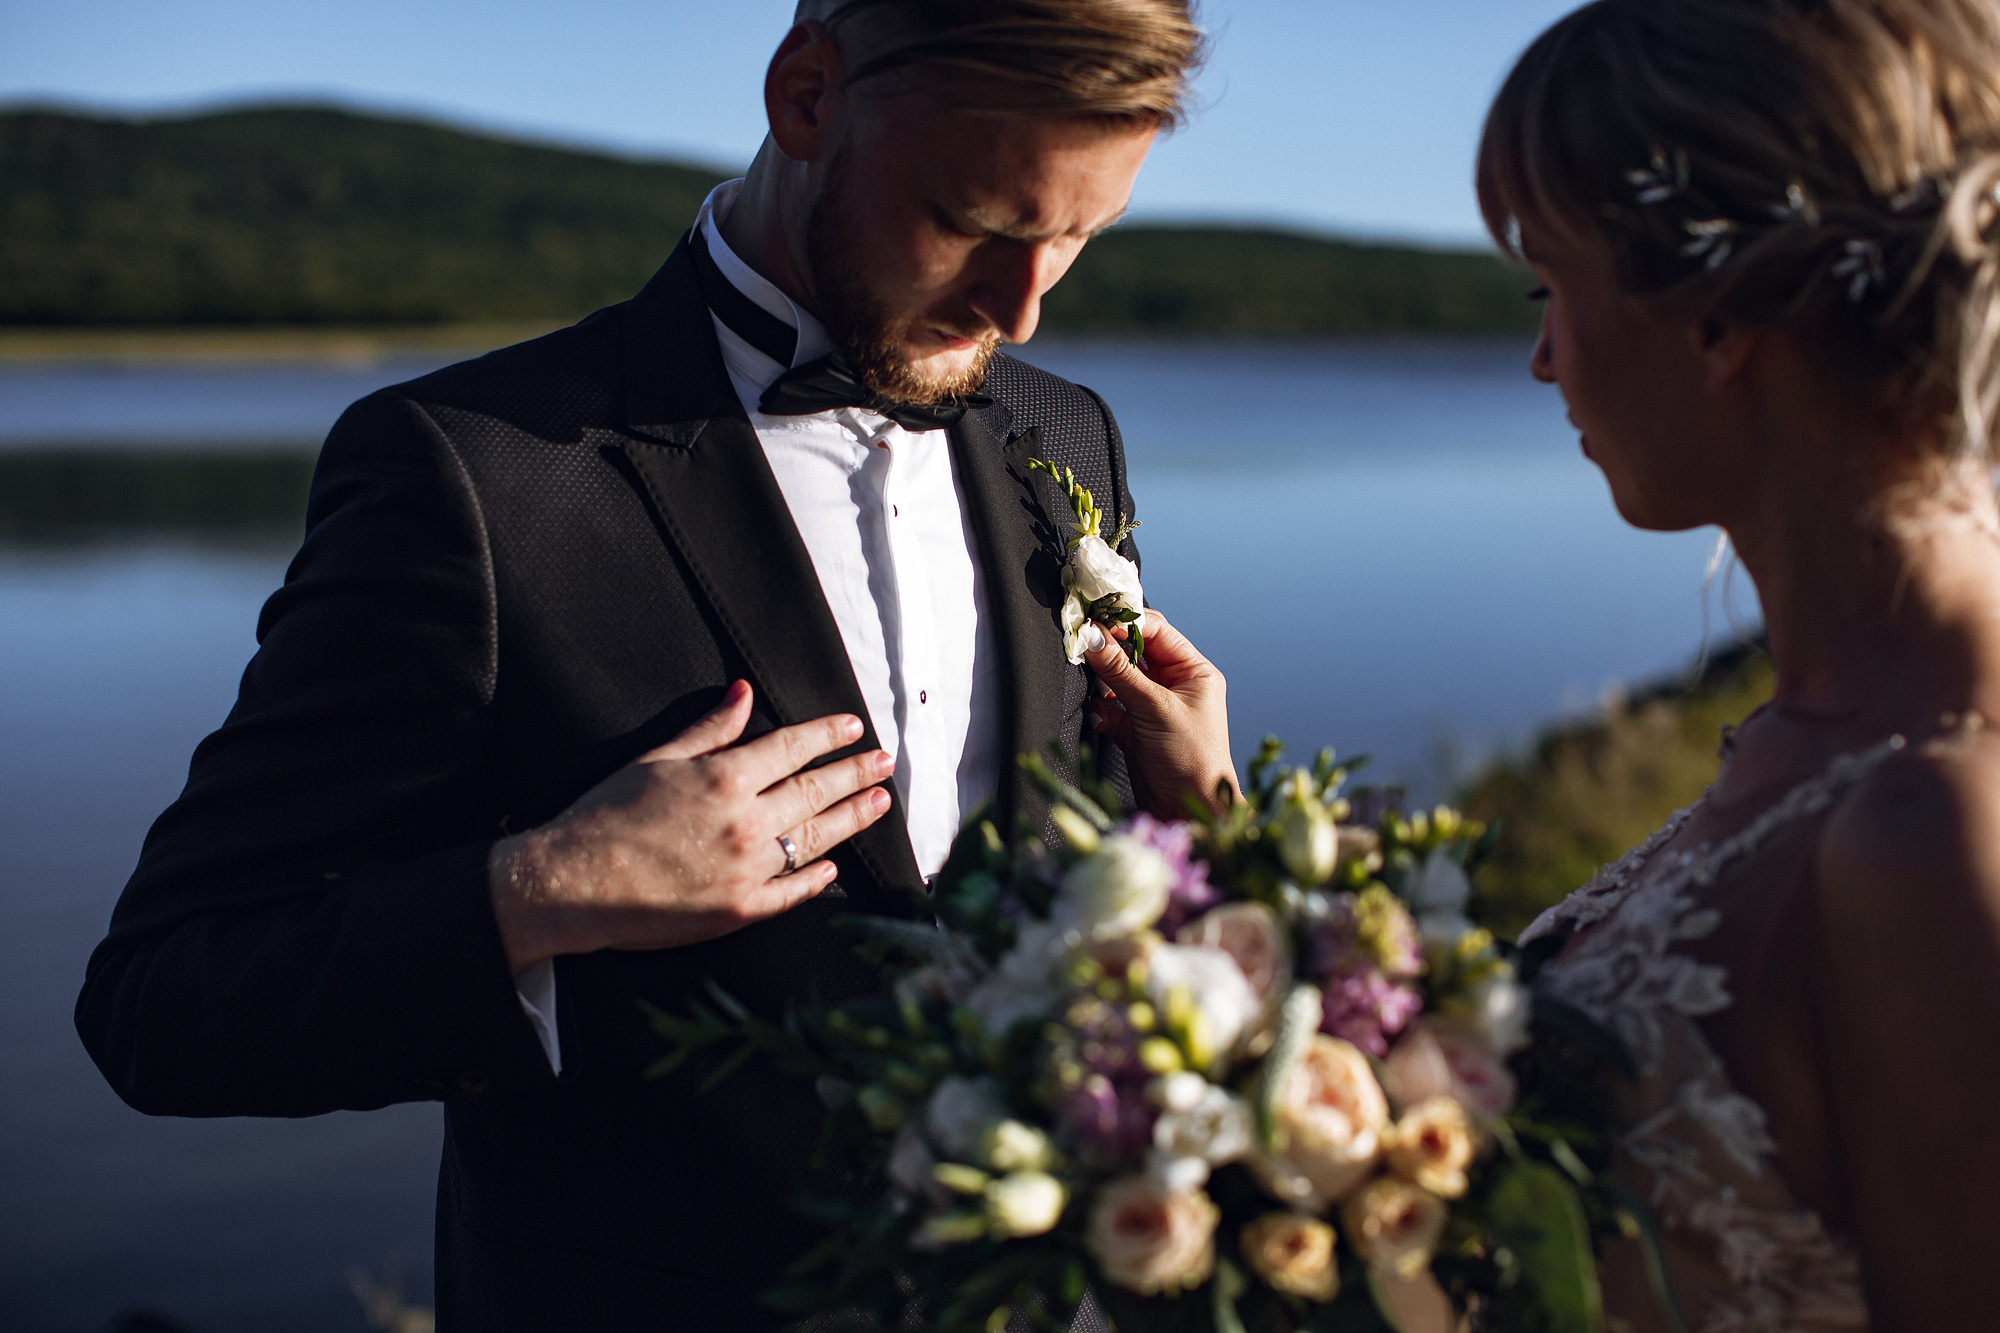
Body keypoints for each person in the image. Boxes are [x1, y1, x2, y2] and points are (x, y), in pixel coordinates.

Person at [73, 3, 1223, 1328]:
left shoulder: (1065, 437)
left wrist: (1197, 825)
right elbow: (161, 998)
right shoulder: (471, 476)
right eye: (975, 217)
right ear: (806, 95)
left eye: (1078, 239)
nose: (1020, 307)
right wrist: (539, 892)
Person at [1098, 0, 2000, 1325]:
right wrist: (1218, 838)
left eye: (1549, 288)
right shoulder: (1818, 723)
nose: (1537, 356)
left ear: (1715, 313)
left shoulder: (1942, 824)